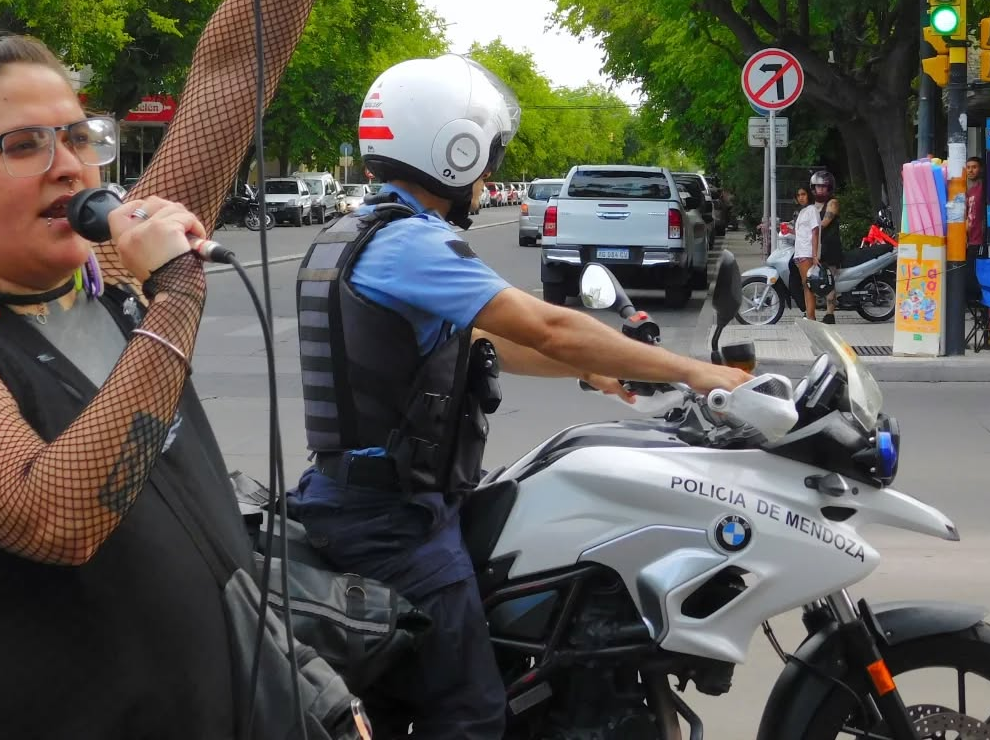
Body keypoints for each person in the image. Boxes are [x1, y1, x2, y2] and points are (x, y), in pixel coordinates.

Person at [0, 0, 380, 739]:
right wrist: (176, 296)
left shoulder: (104, 269)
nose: (69, 163)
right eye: (21, 145)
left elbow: (235, 68)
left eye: (77, 135)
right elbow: (54, 514)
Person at [287, 54, 750, 739]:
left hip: (382, 504)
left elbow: (483, 339)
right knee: (473, 713)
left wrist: (593, 373)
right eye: (487, 156)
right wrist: (694, 372)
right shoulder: (410, 244)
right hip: (392, 523)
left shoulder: (362, 236)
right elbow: (549, 324)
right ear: (454, 151)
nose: (490, 176)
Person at [810, 170, 842, 324]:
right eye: (818, 186)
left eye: (824, 187)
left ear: (829, 188)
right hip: (817, 246)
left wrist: (809, 228)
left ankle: (830, 314)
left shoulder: (832, 203)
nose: (821, 189)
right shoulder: (813, 205)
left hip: (830, 246)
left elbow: (824, 223)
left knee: (829, 279)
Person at [792, 183, 821, 320]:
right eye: (798, 195)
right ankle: (810, 314)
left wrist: (814, 254)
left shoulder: (812, 210)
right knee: (805, 284)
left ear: (808, 195)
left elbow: (815, 232)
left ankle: (811, 315)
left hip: (807, 252)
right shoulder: (802, 212)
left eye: (803, 194)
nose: (801, 197)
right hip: (800, 251)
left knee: (808, 285)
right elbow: (802, 232)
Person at [966, 155, 985, 300]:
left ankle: (982, 307)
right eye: (968, 167)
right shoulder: (969, 192)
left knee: (977, 276)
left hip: (980, 240)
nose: (971, 170)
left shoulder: (983, 189)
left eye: (974, 167)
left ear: (980, 169)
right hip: (969, 240)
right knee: (969, 276)